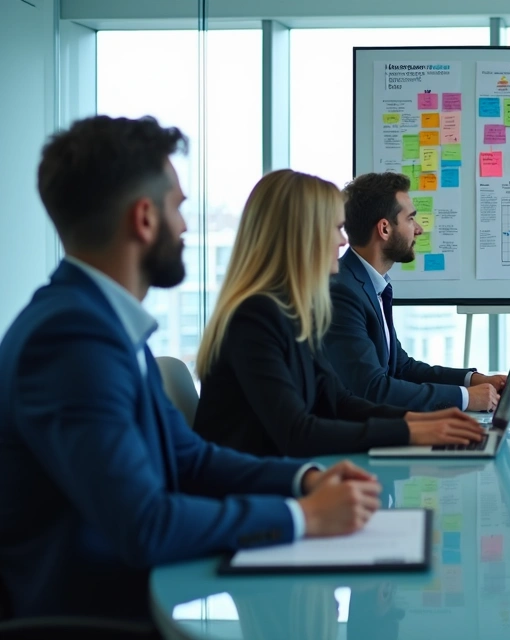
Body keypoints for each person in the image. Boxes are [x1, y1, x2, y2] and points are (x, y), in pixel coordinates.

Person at [0, 116, 383, 622]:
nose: (184, 226)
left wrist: (304, 479)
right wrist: (300, 517)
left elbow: (190, 458)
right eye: (178, 207)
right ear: (144, 218)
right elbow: (145, 524)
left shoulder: (99, 322)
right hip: (100, 618)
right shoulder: (71, 339)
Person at [194, 169, 486, 457]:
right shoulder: (254, 317)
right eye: (335, 228)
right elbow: (297, 432)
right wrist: (408, 432)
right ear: (303, 236)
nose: (343, 241)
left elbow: (337, 400)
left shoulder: (294, 311)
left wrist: (417, 421)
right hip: (255, 482)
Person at [326, 172, 505, 413]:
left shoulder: (370, 285)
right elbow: (372, 389)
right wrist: (464, 398)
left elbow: (402, 368)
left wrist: (473, 380)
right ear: (384, 229)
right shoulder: (343, 292)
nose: (419, 230)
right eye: (410, 219)